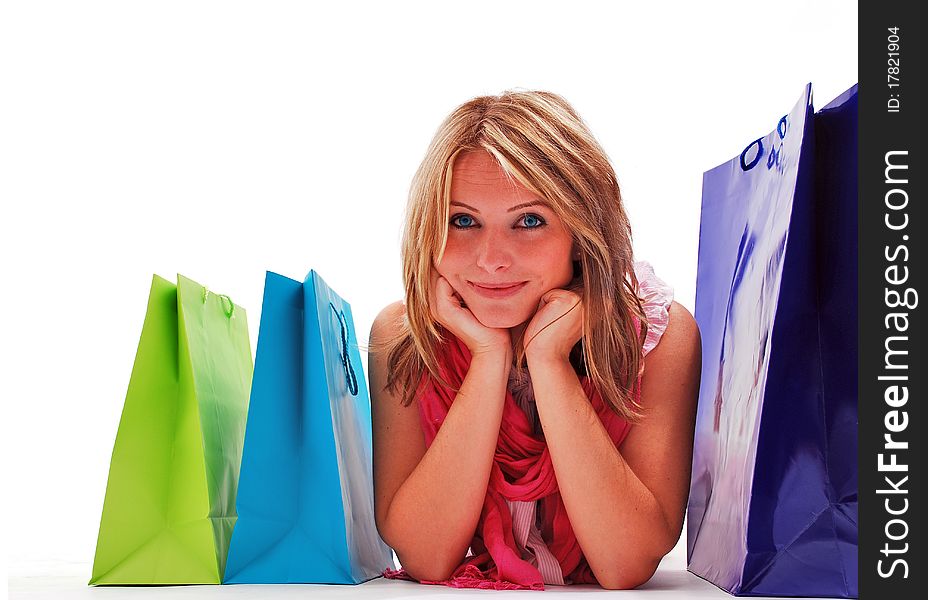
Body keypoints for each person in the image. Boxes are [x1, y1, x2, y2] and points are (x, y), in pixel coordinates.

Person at [367, 90, 701, 590]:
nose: (491, 258)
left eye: (529, 220)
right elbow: (426, 556)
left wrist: (549, 361)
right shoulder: (404, 339)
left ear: (582, 234)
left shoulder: (659, 336)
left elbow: (626, 563)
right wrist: (487, 357)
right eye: (463, 221)